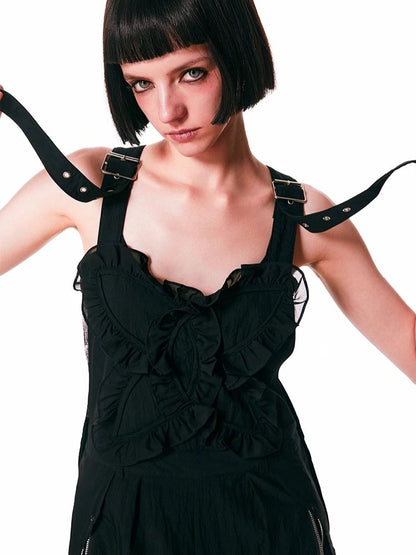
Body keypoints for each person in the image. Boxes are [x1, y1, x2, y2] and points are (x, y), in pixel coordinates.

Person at [0, 0, 415, 553]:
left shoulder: (302, 217)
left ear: (237, 55)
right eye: (141, 84)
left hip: (269, 520)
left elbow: (407, 340)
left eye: (191, 73)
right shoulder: (91, 186)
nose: (167, 110)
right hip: (124, 521)